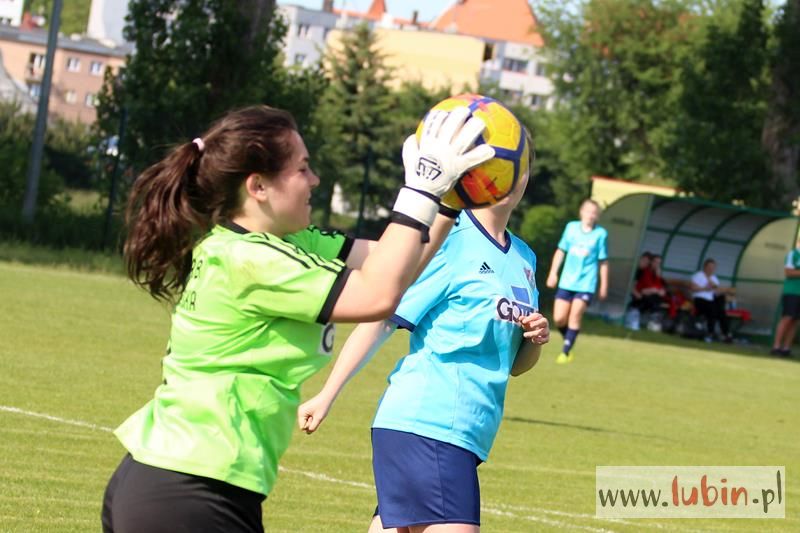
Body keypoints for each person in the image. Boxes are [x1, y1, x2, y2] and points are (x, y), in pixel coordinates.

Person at [100, 104, 495, 533]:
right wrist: (419, 190)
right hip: (191, 489)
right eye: (302, 169)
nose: (315, 180)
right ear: (258, 186)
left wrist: (444, 203)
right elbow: (378, 295)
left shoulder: (272, 242)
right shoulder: (251, 260)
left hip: (175, 481)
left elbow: (397, 266)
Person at [296, 139, 549, 533]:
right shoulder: (451, 240)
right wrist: (328, 393)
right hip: (427, 423)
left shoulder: (524, 258)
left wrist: (534, 337)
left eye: (522, 164)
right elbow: (381, 319)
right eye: (502, 163)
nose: (513, 175)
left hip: (467, 432)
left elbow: (515, 366)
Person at [546, 199, 609, 364]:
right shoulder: (571, 228)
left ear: (597, 216)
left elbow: (603, 261)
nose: (590, 215)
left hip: (586, 283)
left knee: (575, 316)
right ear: (581, 212)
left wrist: (604, 285)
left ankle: (565, 352)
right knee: (559, 319)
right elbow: (561, 250)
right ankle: (569, 340)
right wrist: (553, 273)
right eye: (588, 211)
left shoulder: (600, 234)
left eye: (594, 212)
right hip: (567, 281)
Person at [690, 258, 734, 343]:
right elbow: (693, 288)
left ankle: (726, 334)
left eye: (713, 267)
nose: (711, 269)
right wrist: (705, 288)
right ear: (705, 267)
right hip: (700, 299)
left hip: (711, 300)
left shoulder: (714, 278)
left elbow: (716, 291)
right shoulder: (698, 275)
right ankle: (710, 333)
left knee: (721, 312)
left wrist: (723, 290)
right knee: (713, 310)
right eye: (709, 267)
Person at [770, 238, 800, 357]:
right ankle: (776, 346)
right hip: (791, 292)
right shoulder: (793, 254)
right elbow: (788, 272)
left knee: (795, 321)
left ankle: (786, 348)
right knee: (787, 318)